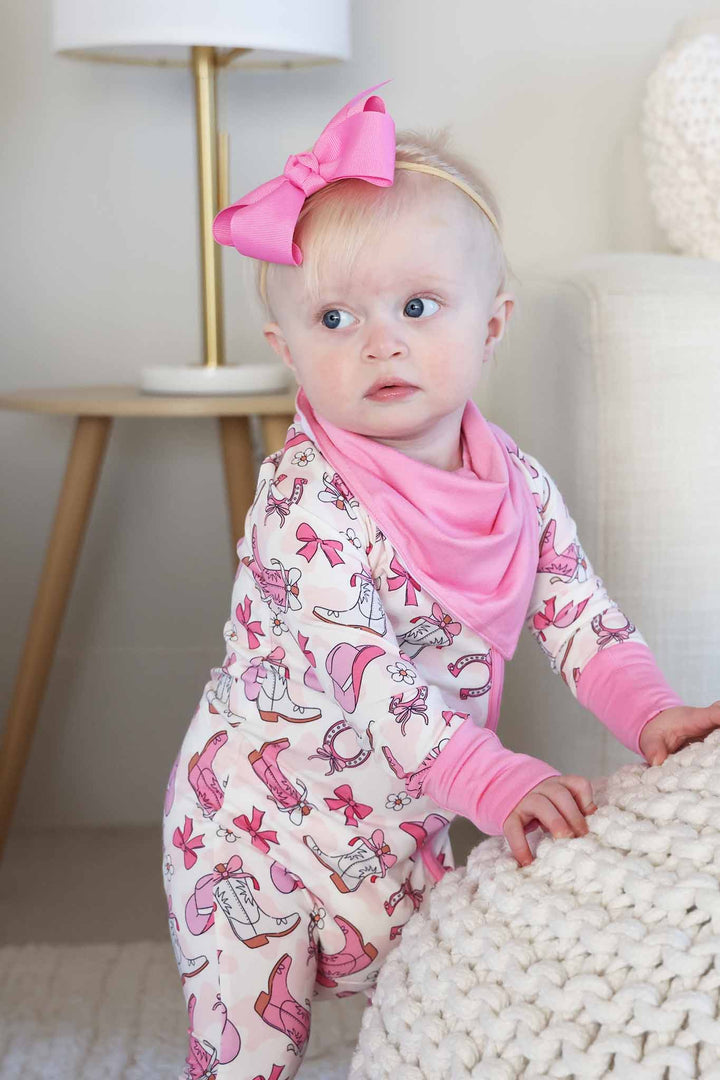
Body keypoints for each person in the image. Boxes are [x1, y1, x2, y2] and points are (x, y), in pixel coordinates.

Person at [161, 82, 718, 1079]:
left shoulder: (519, 486)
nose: (381, 340)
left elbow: (579, 617)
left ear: (492, 322)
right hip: (255, 831)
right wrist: (498, 781)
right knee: (250, 1054)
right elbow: (371, 682)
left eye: (418, 307)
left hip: (404, 827)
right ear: (286, 352)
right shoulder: (307, 502)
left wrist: (652, 714)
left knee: (428, 1029)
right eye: (336, 317)